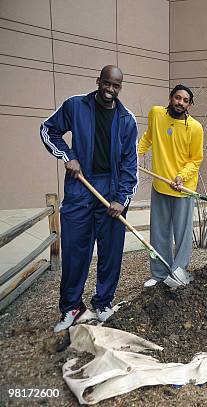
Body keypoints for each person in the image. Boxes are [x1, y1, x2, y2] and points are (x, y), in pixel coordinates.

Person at [40, 65, 138, 332]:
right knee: (74, 250)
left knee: (111, 252)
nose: (110, 90)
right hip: (80, 186)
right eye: (106, 83)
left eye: (115, 86)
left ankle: (103, 302)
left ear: (120, 87)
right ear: (98, 81)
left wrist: (122, 199)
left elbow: (131, 164)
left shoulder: (126, 120)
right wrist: (68, 156)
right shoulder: (75, 106)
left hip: (112, 188)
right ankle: (72, 307)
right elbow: (49, 130)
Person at [137, 85, 203, 287]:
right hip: (160, 185)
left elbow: (196, 160)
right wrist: (133, 157)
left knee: (182, 236)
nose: (180, 102)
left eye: (185, 100)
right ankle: (158, 274)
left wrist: (181, 177)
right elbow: (148, 138)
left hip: (183, 189)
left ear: (189, 104)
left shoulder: (195, 128)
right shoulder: (156, 114)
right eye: (177, 97)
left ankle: (177, 274)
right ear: (170, 98)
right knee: (159, 233)